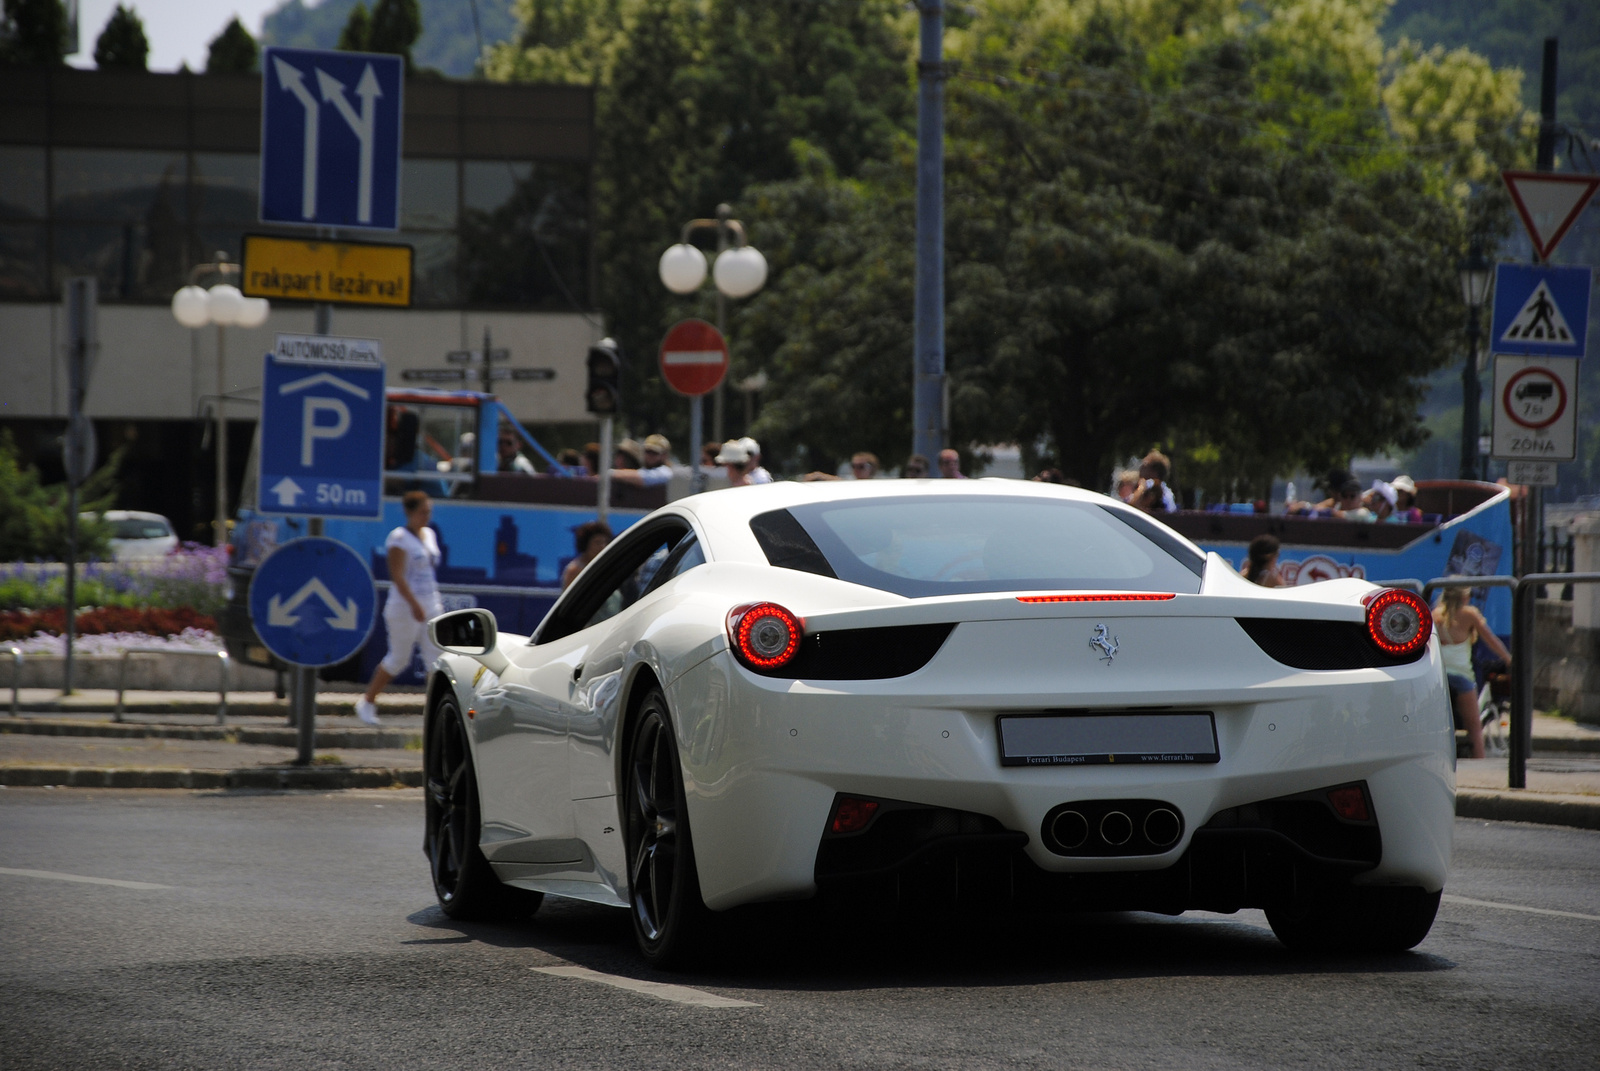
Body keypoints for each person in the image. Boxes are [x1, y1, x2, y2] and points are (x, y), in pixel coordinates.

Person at [356, 491, 442, 725]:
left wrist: (430, 604)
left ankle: (436, 712)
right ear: (410, 513)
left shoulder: (430, 535)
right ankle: (367, 702)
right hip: (405, 607)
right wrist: (414, 604)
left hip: (431, 603)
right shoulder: (399, 538)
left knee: (437, 660)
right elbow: (397, 576)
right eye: (422, 512)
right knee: (399, 659)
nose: (426, 516)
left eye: (429, 512)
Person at [1432, 585, 1511, 759]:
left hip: (1438, 677)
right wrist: (1508, 658)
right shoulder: (1469, 614)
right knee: (1474, 728)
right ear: (1464, 597)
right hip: (1461, 677)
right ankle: (1480, 766)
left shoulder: (1435, 615)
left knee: (1442, 727)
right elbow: (1490, 639)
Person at [561, 519, 612, 589]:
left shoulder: (608, 566)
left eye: (605, 542)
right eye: (597, 542)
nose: (602, 547)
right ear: (585, 545)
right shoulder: (575, 570)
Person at [802, 452, 878, 481]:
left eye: (861, 466)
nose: (856, 469)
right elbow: (841, 481)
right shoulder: (849, 482)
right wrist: (818, 475)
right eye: (853, 466)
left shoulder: (878, 486)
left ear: (871, 468)